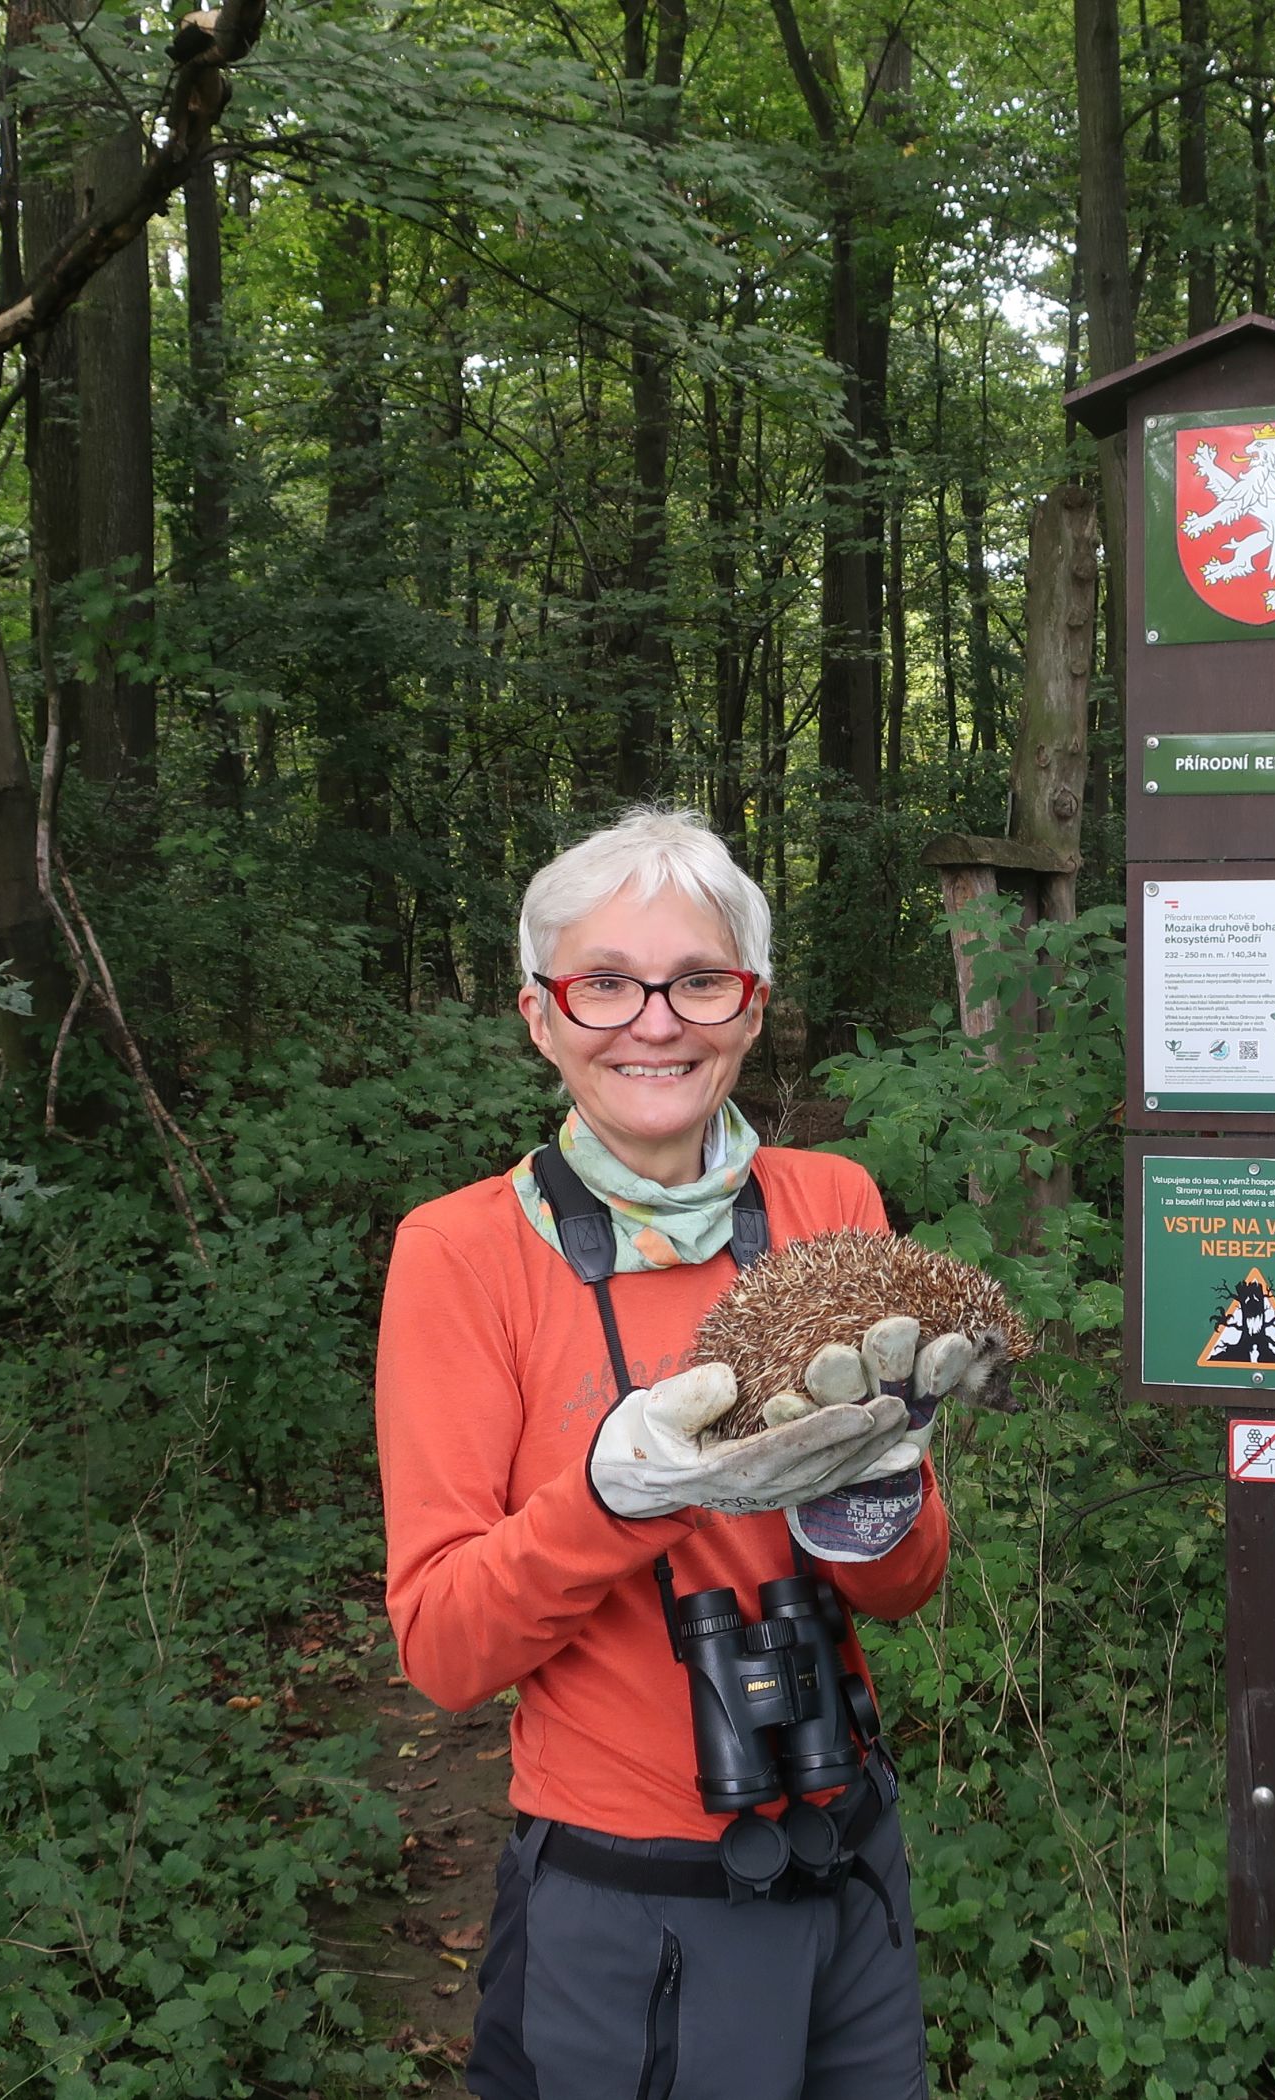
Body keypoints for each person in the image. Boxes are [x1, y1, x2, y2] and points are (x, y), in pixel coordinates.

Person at [377, 807, 972, 2100]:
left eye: (700, 980)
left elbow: (909, 1584)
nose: (656, 1022)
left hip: (848, 1857)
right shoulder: (461, 1253)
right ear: (541, 1016)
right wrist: (609, 1497)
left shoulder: (832, 1206)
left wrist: (874, 1502)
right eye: (604, 984)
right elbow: (444, 1650)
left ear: (752, 1009)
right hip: (627, 1899)